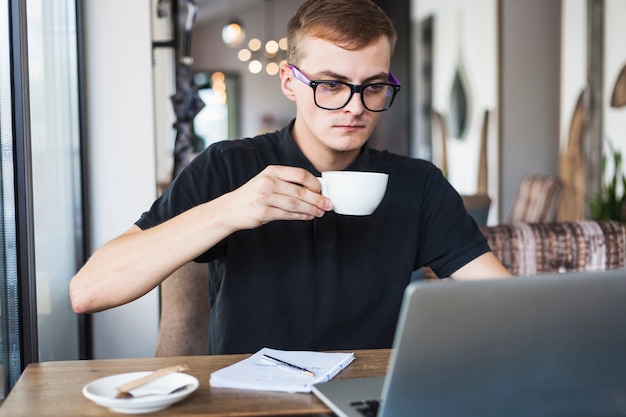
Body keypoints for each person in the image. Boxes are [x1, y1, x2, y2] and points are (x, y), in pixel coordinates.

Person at [70, 0, 510, 354]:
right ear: (289, 82)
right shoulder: (227, 167)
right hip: (246, 404)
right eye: (331, 85)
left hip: (369, 400)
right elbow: (89, 291)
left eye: (373, 86)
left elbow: (508, 302)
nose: (355, 107)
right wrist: (229, 210)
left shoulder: (418, 184)